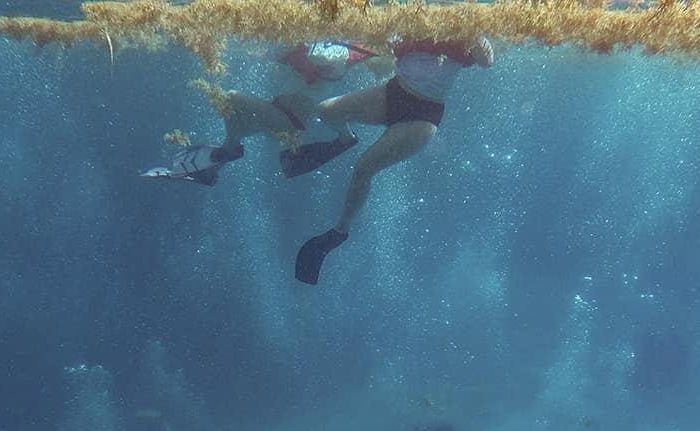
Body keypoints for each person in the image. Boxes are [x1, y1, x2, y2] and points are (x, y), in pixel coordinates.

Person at [294, 34, 494, 284]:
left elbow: (487, 60)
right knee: (325, 110)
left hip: (423, 115)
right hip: (392, 92)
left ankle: (339, 231)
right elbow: (382, 37)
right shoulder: (411, 15)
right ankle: (345, 139)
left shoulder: (463, 24)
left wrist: (472, 30)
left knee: (364, 168)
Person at [143, 41, 384, 186]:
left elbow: (358, 55)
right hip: (276, 118)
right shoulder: (311, 52)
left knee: (233, 98)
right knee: (234, 111)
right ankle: (212, 169)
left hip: (288, 123)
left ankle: (230, 148)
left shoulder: (332, 55)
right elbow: (270, 50)